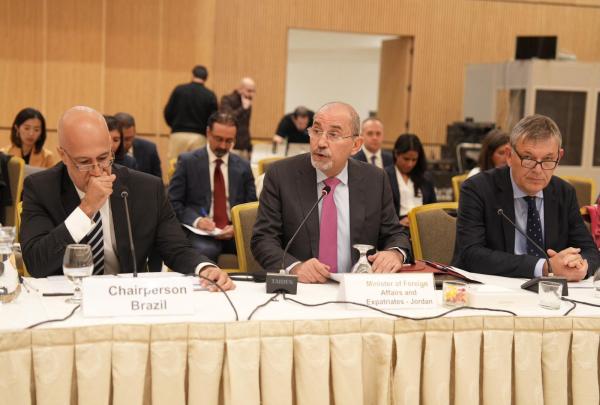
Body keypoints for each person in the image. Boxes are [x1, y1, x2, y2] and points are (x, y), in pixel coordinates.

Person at [20, 106, 234, 291]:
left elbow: (176, 248)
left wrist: (205, 268)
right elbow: (36, 263)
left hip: (128, 298)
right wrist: (86, 209)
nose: (97, 171)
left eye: (103, 158)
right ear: (63, 155)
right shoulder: (40, 188)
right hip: (68, 297)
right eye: (84, 162)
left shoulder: (146, 189)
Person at [251, 102, 411, 283]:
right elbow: (263, 239)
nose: (320, 143)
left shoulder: (375, 179)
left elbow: (395, 234)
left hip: (357, 287)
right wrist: (294, 267)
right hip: (303, 288)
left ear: (356, 145)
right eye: (316, 131)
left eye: (333, 134)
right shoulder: (281, 175)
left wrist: (395, 253)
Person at [452, 114, 600, 281]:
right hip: (489, 288)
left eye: (548, 159)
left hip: (547, 292)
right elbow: (471, 254)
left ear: (559, 157)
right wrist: (544, 267)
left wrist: (581, 266)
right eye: (528, 158)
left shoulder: (564, 193)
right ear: (509, 155)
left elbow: (590, 251)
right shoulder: (477, 189)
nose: (538, 170)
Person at [169, 112, 257, 262]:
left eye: (229, 141)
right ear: (208, 133)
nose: (223, 146)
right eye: (219, 139)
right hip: (200, 231)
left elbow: (251, 206)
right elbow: (173, 202)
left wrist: (237, 226)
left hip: (233, 231)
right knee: (206, 250)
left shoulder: (243, 166)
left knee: (259, 248)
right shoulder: (187, 162)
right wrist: (197, 221)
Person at [164, 65, 218, 160]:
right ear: (206, 78)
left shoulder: (179, 90)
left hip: (178, 134)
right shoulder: (210, 95)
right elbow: (213, 119)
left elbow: (168, 112)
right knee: (197, 165)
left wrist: (175, 126)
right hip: (199, 136)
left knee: (175, 165)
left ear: (192, 75)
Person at [384, 133, 436, 227]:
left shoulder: (426, 178)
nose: (410, 164)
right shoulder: (384, 176)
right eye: (406, 159)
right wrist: (397, 224)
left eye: (414, 160)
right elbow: (380, 212)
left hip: (424, 226)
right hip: (396, 229)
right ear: (396, 154)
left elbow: (434, 208)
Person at [115, 112, 162, 179]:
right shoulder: (108, 154)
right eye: (120, 139)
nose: (126, 143)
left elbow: (158, 180)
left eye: (129, 138)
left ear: (135, 132)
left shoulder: (150, 149)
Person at [220, 77, 256, 159]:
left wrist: (249, 148)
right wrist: (242, 108)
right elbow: (227, 119)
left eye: (253, 91)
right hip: (231, 147)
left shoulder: (247, 102)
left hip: (244, 148)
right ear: (240, 89)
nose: (251, 94)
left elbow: (245, 126)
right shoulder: (227, 99)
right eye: (249, 91)